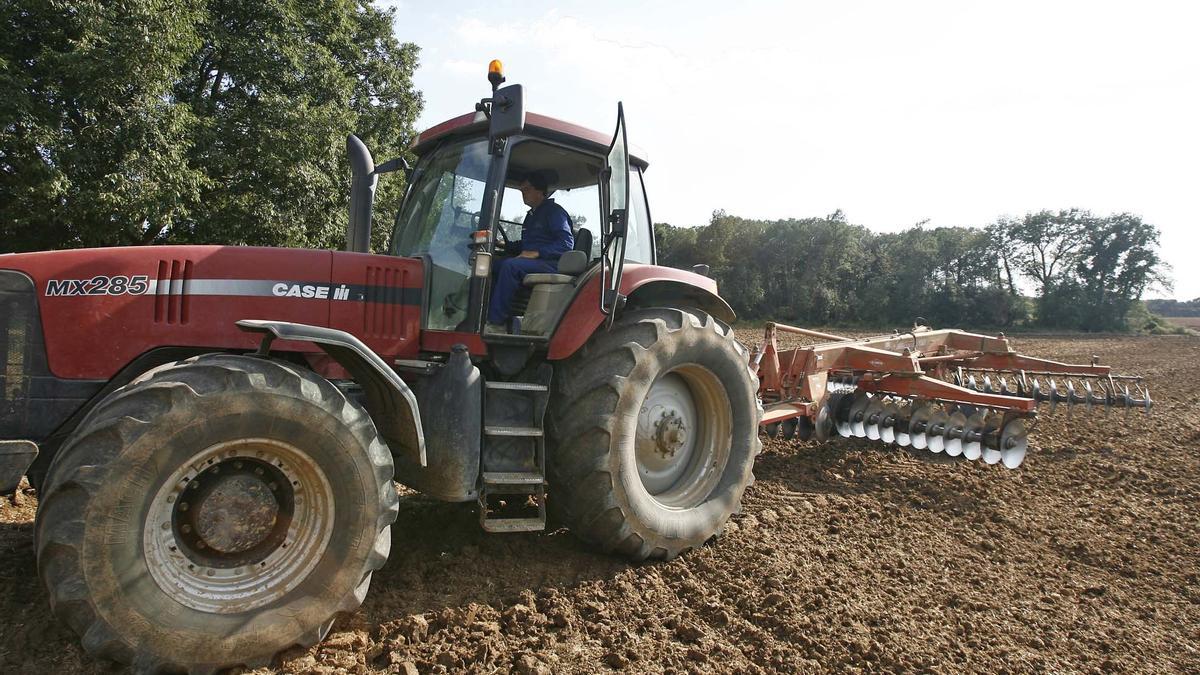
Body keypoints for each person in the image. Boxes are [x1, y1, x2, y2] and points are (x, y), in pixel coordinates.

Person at [487, 171, 574, 330]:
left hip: (552, 263)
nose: (523, 194)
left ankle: (496, 323)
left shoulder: (554, 212)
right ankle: (482, 316)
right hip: (536, 261)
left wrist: (537, 253)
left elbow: (566, 243)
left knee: (510, 266)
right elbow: (526, 245)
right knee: (492, 264)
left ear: (540, 191)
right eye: (521, 190)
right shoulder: (531, 215)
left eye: (526, 189)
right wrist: (502, 244)